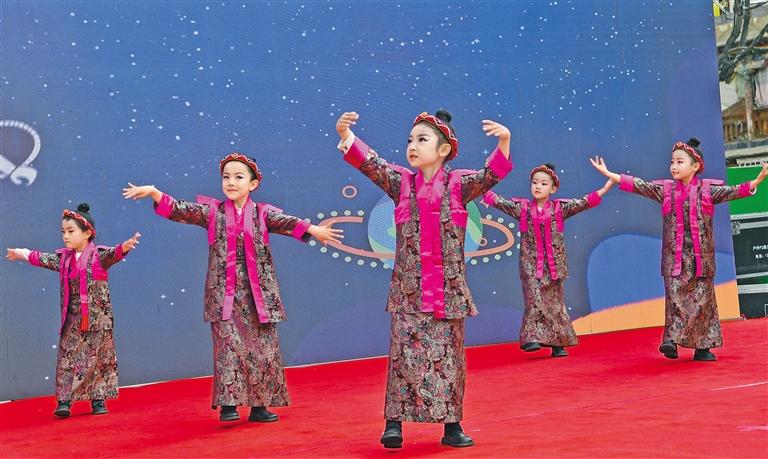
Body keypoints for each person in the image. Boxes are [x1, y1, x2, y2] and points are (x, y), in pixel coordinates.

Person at [335, 109, 512, 448]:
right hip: (408, 292)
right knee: (403, 356)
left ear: (444, 149)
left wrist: (504, 140)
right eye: (410, 140)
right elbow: (372, 164)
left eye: (422, 140)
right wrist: (346, 136)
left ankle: (452, 426)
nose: (412, 146)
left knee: (449, 359)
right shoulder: (401, 182)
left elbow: (491, 175)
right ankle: (394, 424)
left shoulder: (459, 185)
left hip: (448, 292)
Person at [123, 152, 342, 422]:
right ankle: (229, 404)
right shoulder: (212, 212)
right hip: (223, 294)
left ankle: (259, 406)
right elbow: (181, 209)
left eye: (239, 177)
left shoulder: (263, 213)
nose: (231, 182)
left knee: (262, 348)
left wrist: (314, 230)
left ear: (253, 184)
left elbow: (289, 222)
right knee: (227, 345)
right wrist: (154, 192)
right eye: (226, 177)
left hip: (258, 294)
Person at [590, 138, 767, 361]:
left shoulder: (707, 190)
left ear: (695, 166)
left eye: (680, 162)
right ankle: (671, 340)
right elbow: (640, 185)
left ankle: (702, 348)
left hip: (701, 259)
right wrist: (610, 174)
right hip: (674, 258)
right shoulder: (665, 190)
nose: (674, 166)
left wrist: (757, 180)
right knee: (675, 298)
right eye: (672, 161)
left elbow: (733, 191)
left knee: (702, 302)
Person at [6, 203, 140, 417]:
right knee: (67, 358)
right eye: (63, 232)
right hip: (72, 317)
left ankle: (98, 399)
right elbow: (43, 258)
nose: (65, 236)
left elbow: (113, 254)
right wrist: (22, 253)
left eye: (70, 231)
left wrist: (124, 246)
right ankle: (65, 401)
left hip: (98, 319)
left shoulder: (98, 256)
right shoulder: (64, 259)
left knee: (98, 358)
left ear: (87, 233)